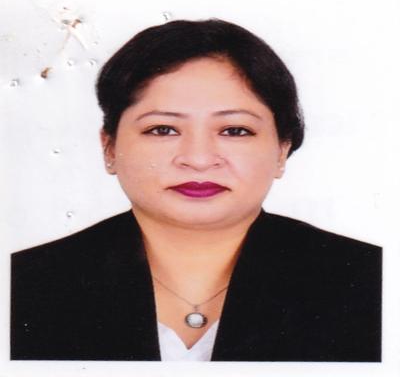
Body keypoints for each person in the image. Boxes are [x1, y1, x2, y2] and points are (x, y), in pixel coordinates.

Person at [11, 19, 381, 362]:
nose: (199, 159)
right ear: (109, 148)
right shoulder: (23, 284)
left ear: (282, 151)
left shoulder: (370, 281)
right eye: (163, 130)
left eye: (235, 130)